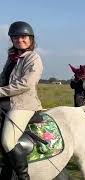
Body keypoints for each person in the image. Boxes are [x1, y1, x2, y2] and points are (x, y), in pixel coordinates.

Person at [0, 21, 43, 180]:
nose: (20, 40)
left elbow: (25, 84)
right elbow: (4, 79)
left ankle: (23, 177)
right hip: (5, 101)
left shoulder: (33, 58)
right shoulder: (12, 58)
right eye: (16, 37)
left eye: (24, 36)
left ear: (31, 39)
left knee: (7, 141)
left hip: (23, 105)